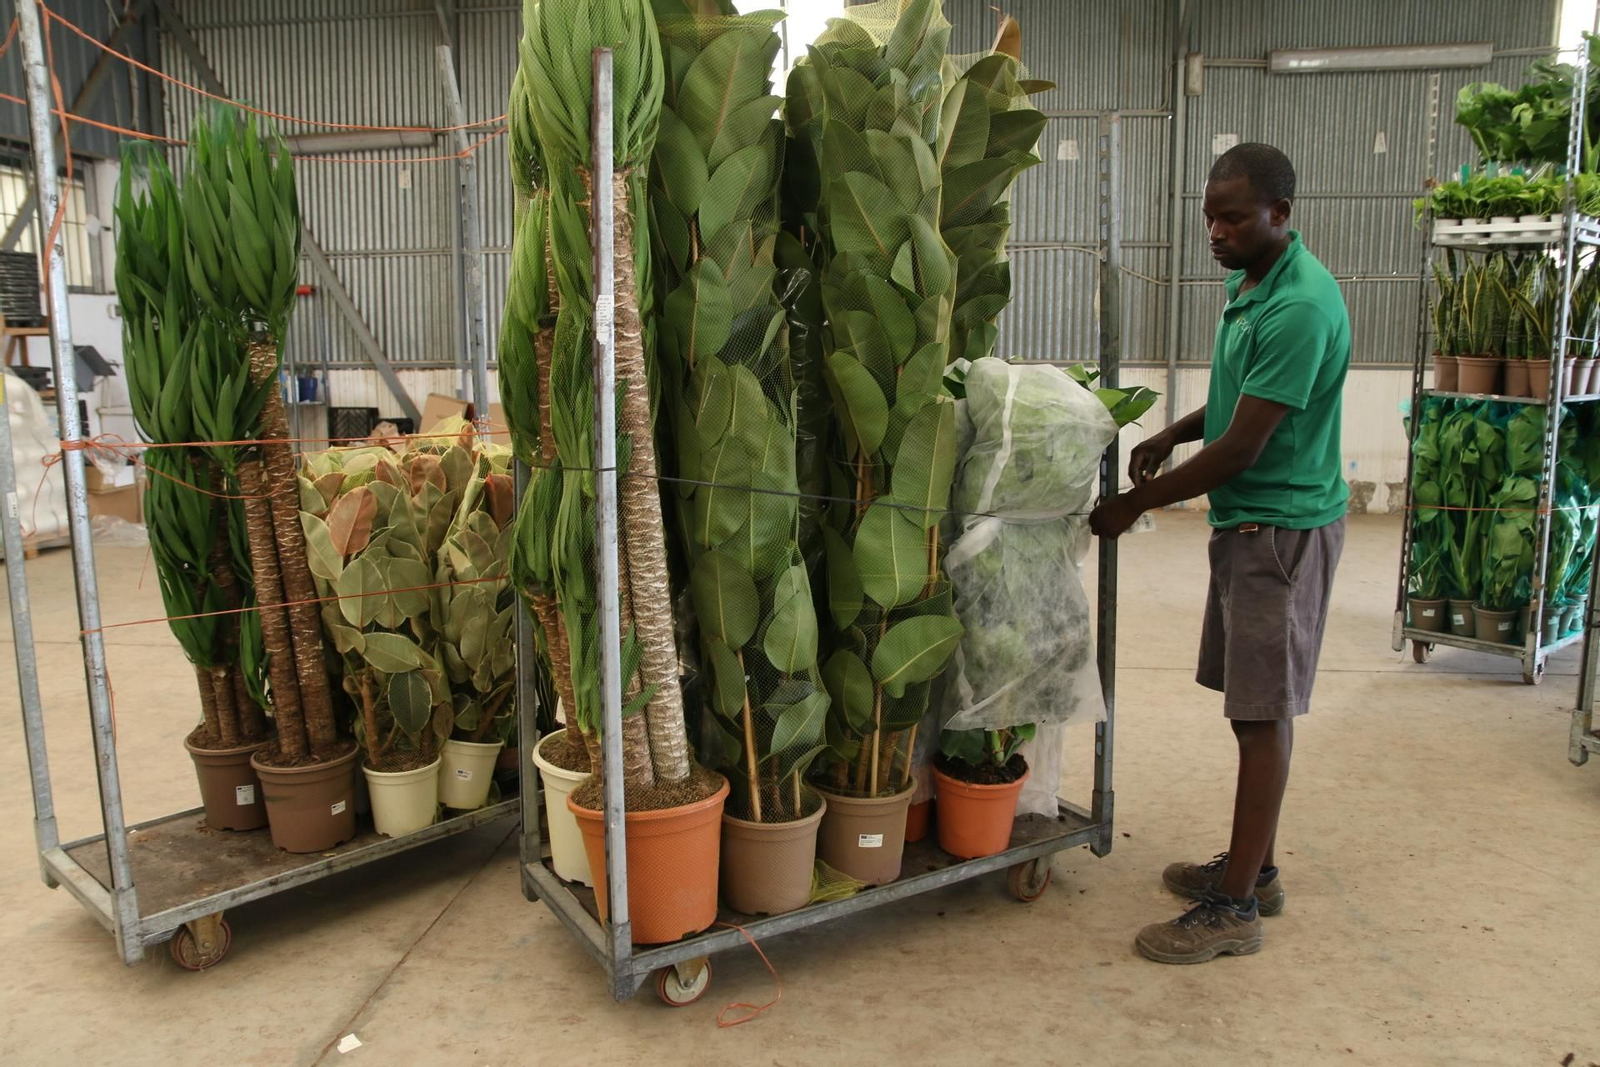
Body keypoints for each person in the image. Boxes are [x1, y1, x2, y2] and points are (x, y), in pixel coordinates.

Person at [1088, 142, 1350, 965]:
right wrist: (1170, 430)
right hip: (1249, 525)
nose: (1215, 230)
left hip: (1279, 529)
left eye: (1233, 217)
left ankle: (1237, 905)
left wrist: (1134, 505)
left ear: (1281, 213)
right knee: (1250, 707)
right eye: (1209, 214)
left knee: (1260, 713)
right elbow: (1239, 399)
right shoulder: (1254, 284)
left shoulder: (1300, 304)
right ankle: (1254, 868)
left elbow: (1242, 447)